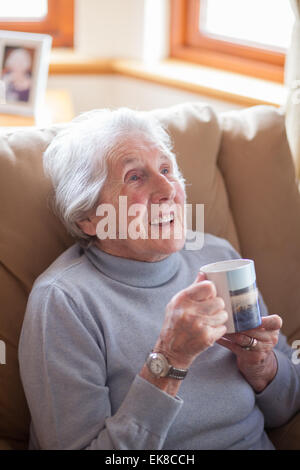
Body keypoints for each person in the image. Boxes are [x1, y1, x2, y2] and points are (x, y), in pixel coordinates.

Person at [18, 108, 300, 450]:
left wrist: (262, 366)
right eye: (135, 176)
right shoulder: (64, 302)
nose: (167, 188)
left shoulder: (218, 257)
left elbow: (286, 406)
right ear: (88, 218)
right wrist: (169, 359)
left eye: (167, 169)